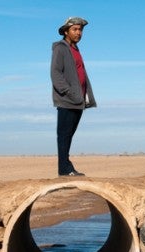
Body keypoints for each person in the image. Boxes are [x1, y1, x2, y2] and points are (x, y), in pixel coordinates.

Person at [50, 16, 96, 177]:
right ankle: (64, 169)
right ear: (66, 31)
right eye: (75, 29)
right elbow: (55, 73)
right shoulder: (60, 48)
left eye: (80, 29)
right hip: (67, 99)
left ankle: (67, 167)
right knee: (64, 135)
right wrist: (69, 92)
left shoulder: (75, 49)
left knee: (69, 135)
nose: (79, 32)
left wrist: (83, 96)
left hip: (79, 100)